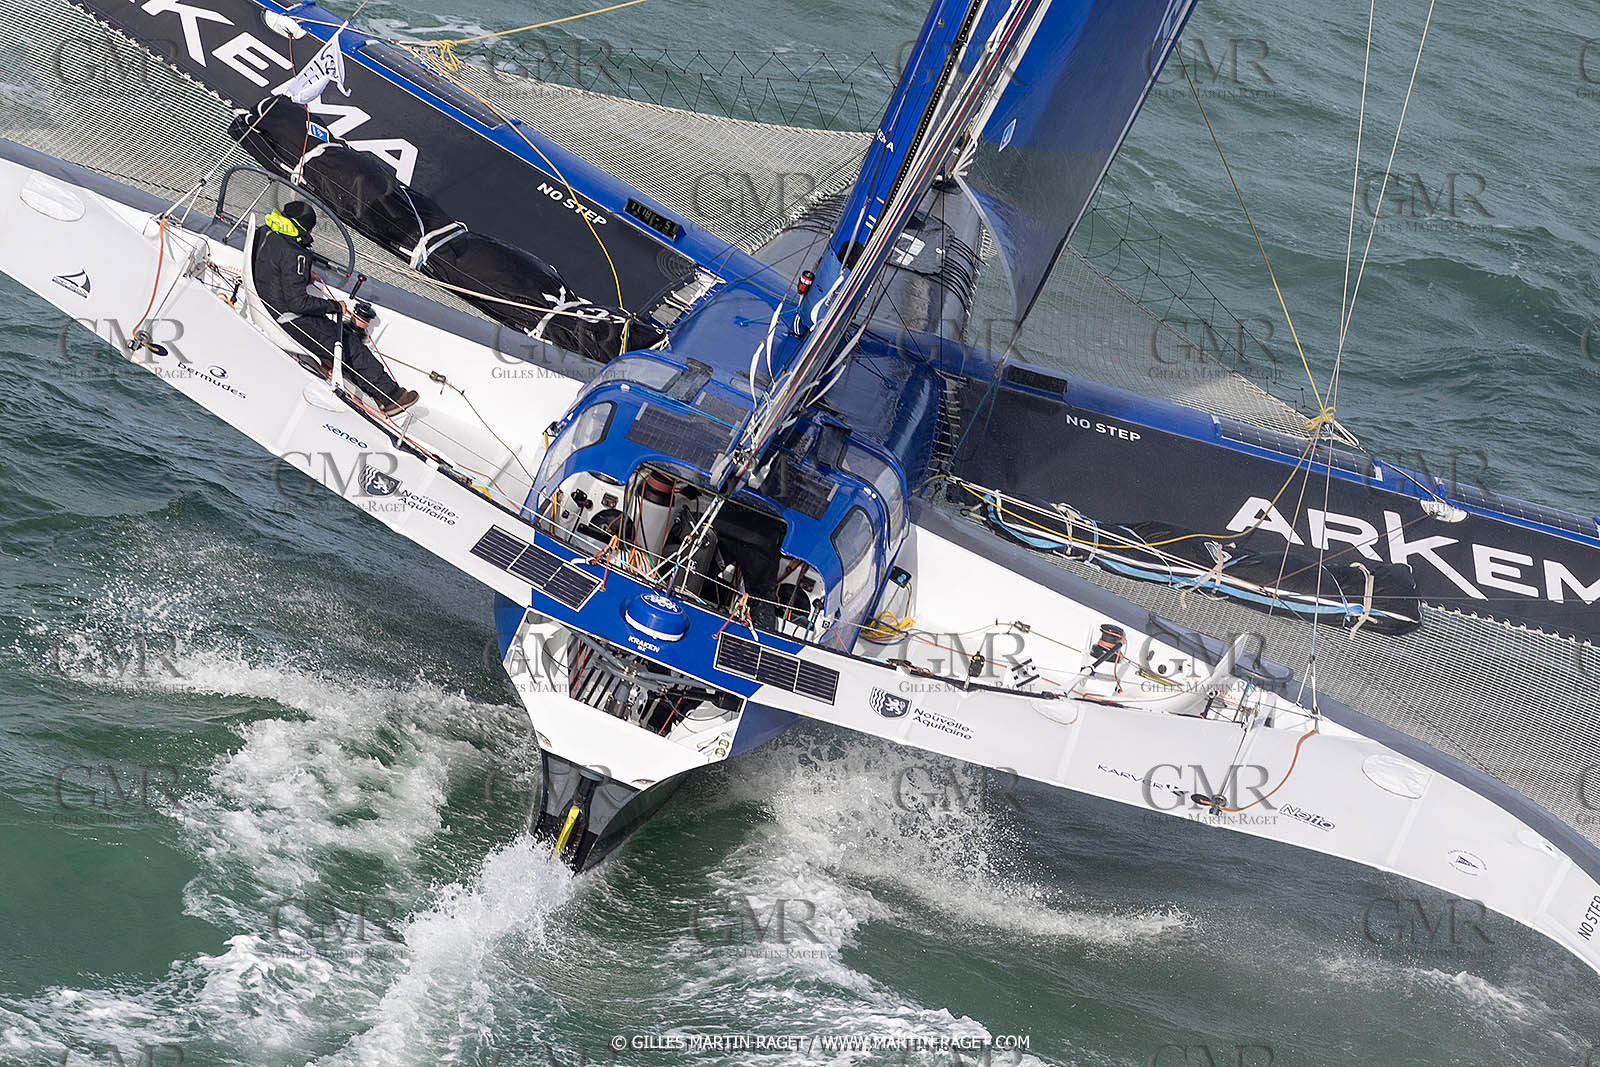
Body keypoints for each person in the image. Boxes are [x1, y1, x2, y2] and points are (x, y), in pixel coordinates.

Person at [251, 201, 418, 414]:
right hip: (289, 319)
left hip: (270, 306)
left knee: (342, 336)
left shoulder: (267, 231)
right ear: (304, 228)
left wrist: (301, 277)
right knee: (350, 345)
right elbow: (298, 303)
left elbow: (274, 267)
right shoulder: (296, 254)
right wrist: (335, 307)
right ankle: (391, 396)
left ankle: (373, 390)